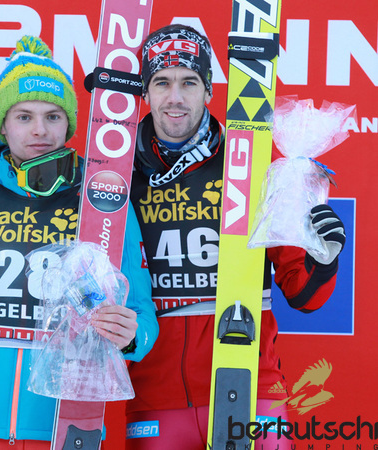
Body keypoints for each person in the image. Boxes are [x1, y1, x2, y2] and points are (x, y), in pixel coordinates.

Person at [0, 36, 158, 449]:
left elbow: (142, 317)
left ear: (69, 123)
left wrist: (130, 336)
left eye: (53, 116)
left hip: (67, 421)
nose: (39, 130)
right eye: (24, 116)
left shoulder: (101, 198)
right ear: (2, 122)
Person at [125, 24, 347, 449]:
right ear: (146, 93)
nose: (175, 97)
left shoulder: (252, 166)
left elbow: (304, 295)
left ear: (208, 90)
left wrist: (324, 261)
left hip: (253, 388)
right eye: (162, 82)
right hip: (156, 398)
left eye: (189, 82)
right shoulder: (116, 178)